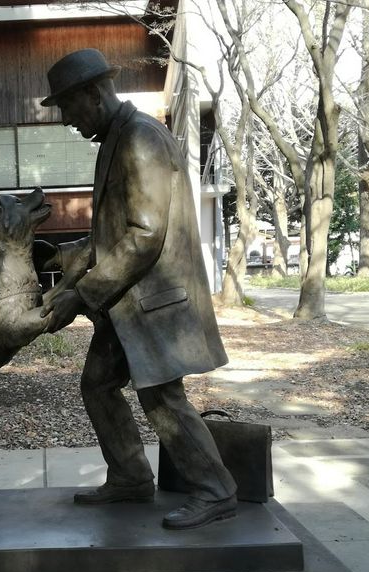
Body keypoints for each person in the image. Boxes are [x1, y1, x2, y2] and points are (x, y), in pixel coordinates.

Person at [37, 48, 237, 529]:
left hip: (154, 300)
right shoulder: (118, 137)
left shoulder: (140, 139)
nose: (66, 119)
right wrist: (63, 258)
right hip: (127, 302)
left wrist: (81, 293)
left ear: (94, 93)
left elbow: (143, 237)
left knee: (162, 398)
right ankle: (129, 476)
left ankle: (216, 490)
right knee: (98, 384)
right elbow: (116, 232)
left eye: (67, 106)